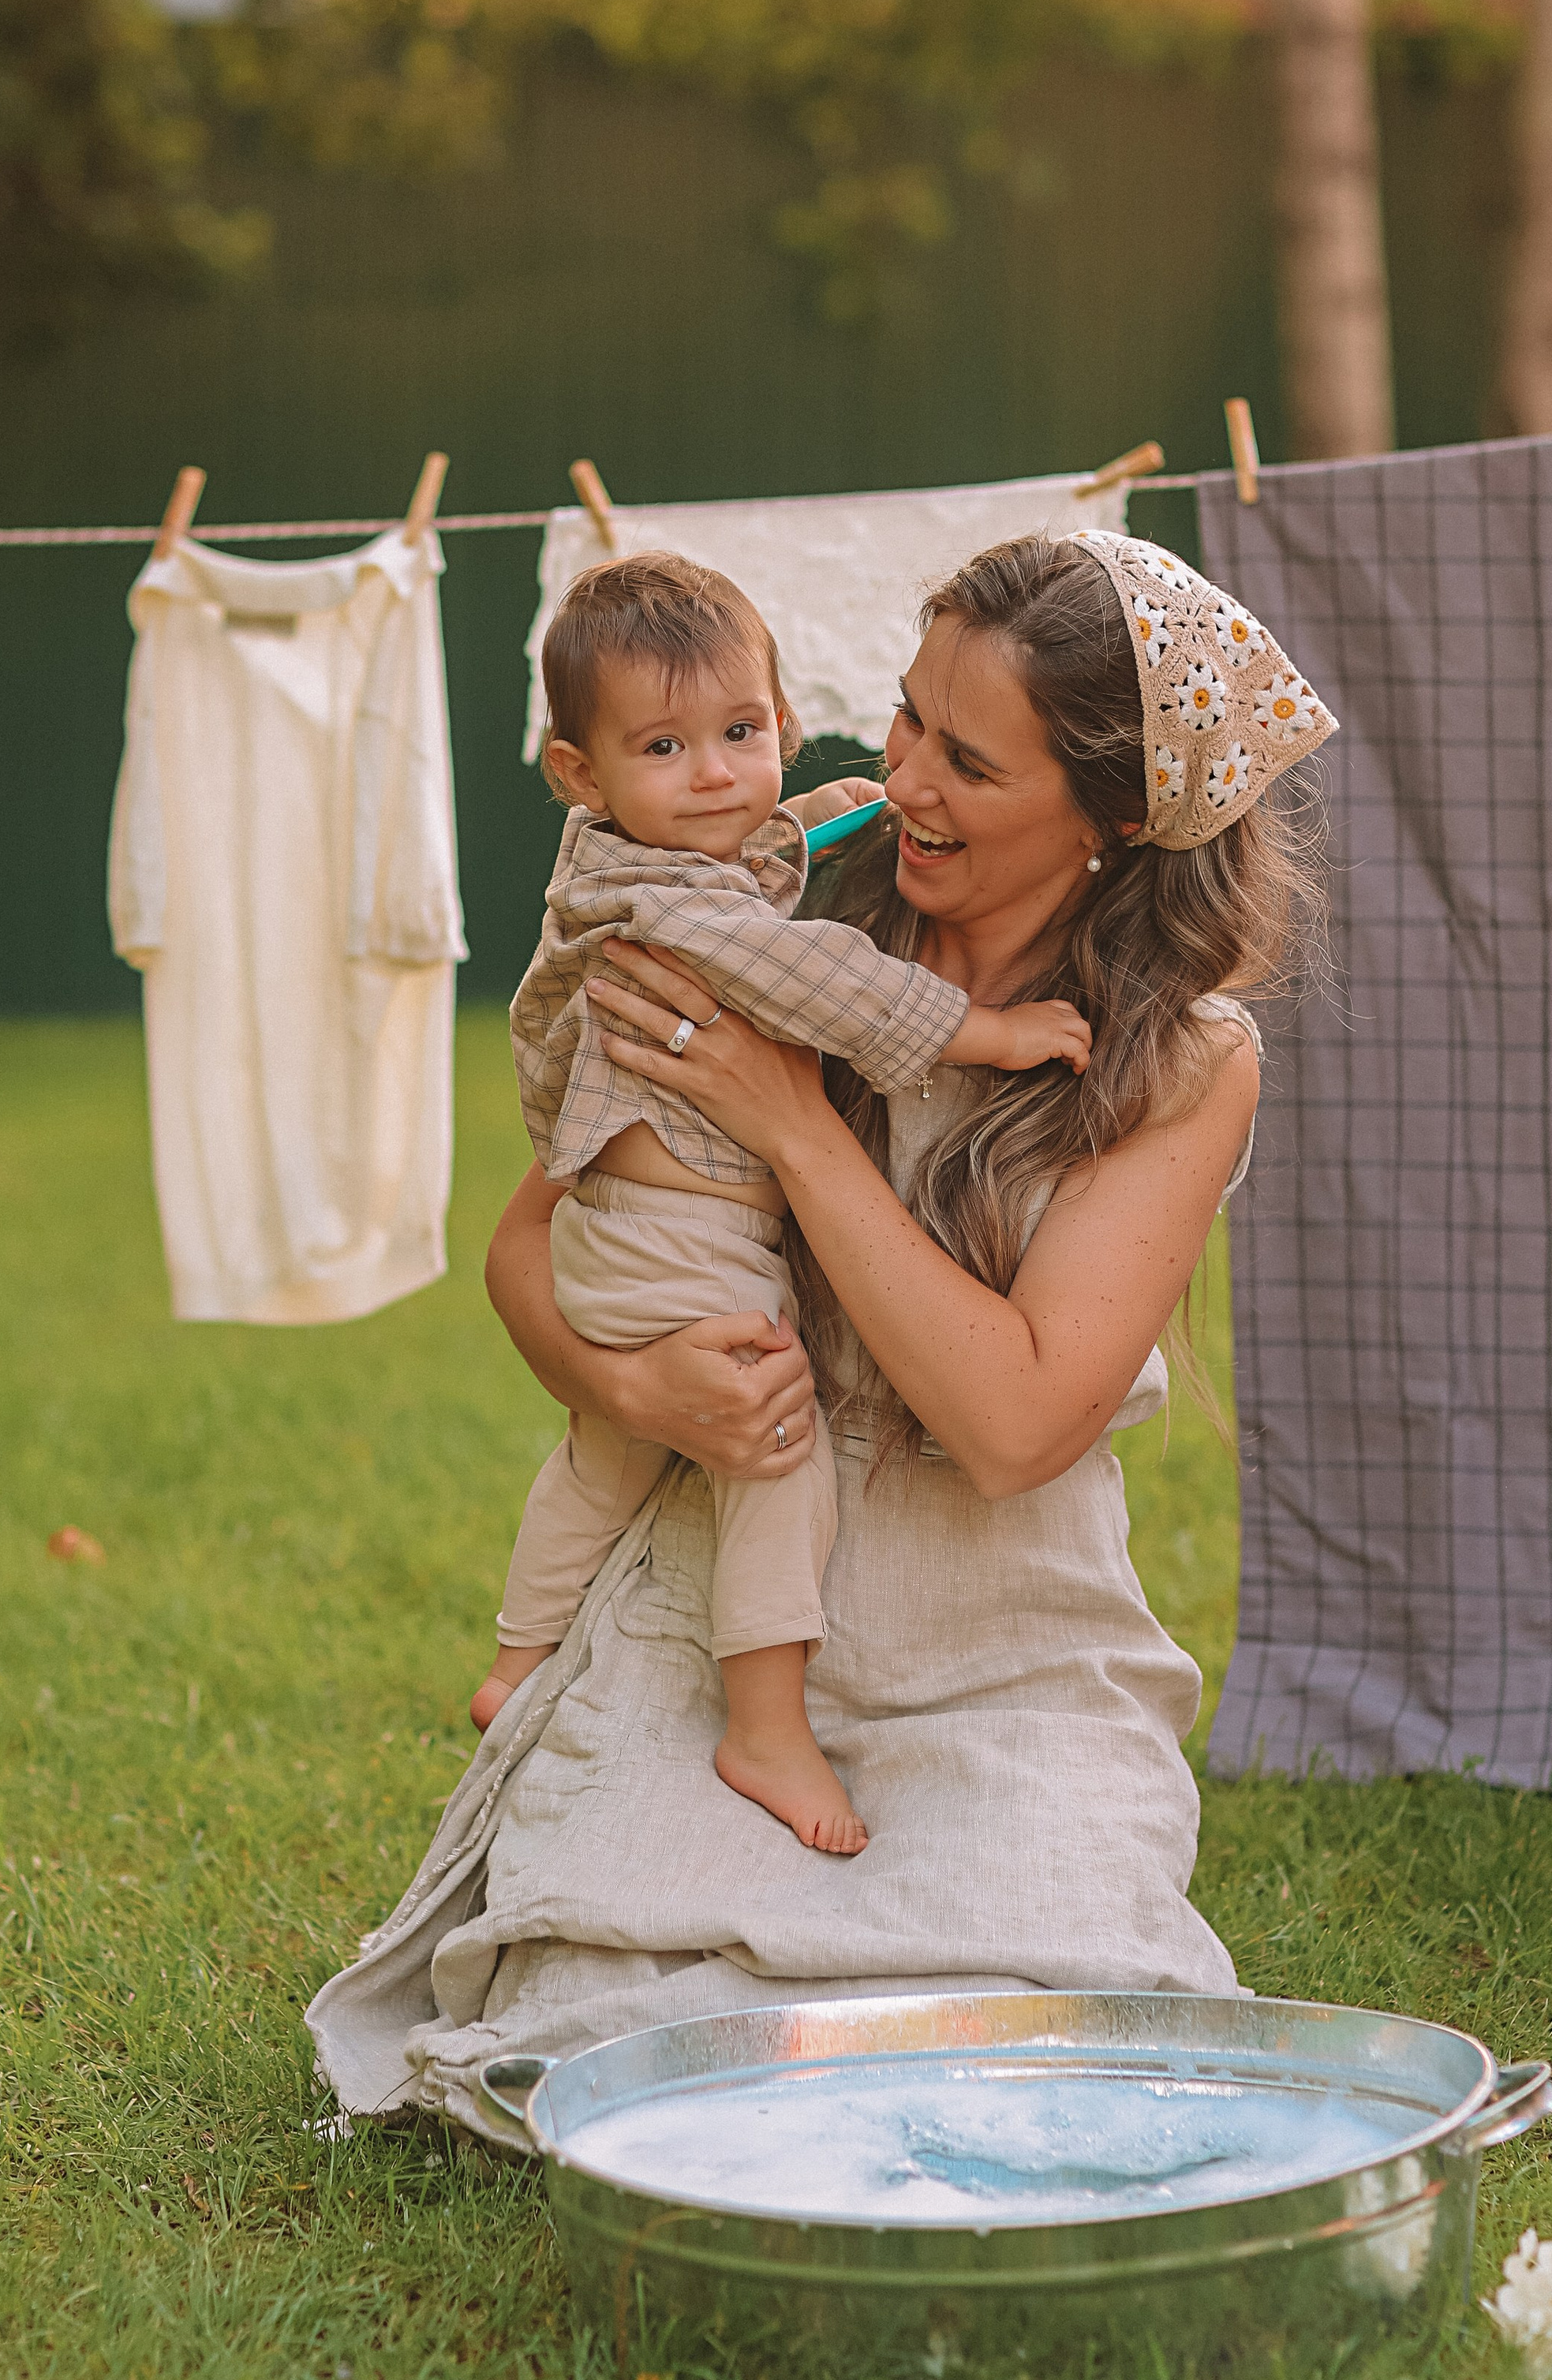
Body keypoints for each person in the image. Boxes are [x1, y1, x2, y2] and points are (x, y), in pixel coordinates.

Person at [305, 527, 1334, 2135]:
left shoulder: (1178, 1062)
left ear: (1111, 815)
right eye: (906, 718)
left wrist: (797, 1129)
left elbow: (1012, 1425)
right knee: (610, 2030)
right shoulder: (768, 906)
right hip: (732, 1622)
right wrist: (630, 1383)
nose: (901, 776)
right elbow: (528, 1247)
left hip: (1003, 1637)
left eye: (964, 760)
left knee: (1053, 2036)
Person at [473, 551, 1092, 1855]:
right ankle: (764, 1722)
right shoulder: (692, 916)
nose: (713, 776)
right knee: (775, 1453)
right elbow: (823, 982)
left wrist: (809, 819)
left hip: (626, 1239)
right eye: (666, 747)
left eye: (741, 734)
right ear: (582, 775)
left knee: (603, 1457)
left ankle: (520, 1653)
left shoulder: (639, 859)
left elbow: (740, 869)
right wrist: (988, 1033)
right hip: (682, 1241)